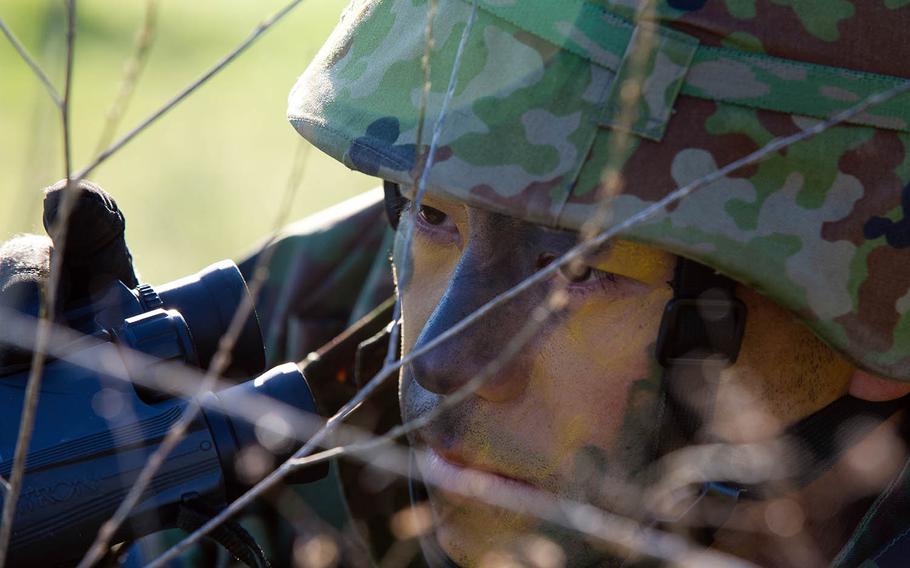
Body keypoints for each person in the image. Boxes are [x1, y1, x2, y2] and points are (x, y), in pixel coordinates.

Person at [244, 0, 910, 566]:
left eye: (580, 271)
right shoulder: (324, 315)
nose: (442, 362)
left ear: (879, 320)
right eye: (431, 213)